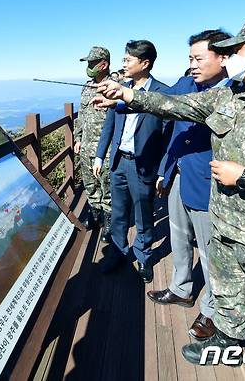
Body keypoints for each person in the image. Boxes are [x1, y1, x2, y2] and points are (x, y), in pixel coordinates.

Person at [93, 17, 245, 381]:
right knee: (229, 298)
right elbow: (179, 105)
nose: (231, 56)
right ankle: (228, 339)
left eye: (240, 48)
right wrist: (128, 94)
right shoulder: (230, 94)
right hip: (226, 228)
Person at [147, 29, 232, 342]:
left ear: (223, 57)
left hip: (212, 183)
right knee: (179, 238)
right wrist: (164, 170)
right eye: (190, 58)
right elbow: (159, 107)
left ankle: (212, 310)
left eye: (199, 58)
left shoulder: (235, 92)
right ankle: (181, 288)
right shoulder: (185, 84)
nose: (193, 64)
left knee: (212, 252)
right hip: (179, 173)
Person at [92, 40, 170, 282]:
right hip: (118, 161)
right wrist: (99, 154)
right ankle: (117, 252)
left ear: (145, 63)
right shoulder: (120, 89)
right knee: (118, 212)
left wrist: (162, 170)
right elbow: (109, 125)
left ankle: (144, 256)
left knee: (143, 213)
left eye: (128, 60)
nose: (123, 64)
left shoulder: (161, 93)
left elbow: (168, 135)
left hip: (143, 163)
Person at [73, 46, 114, 242]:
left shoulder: (114, 86)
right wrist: (78, 138)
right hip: (86, 145)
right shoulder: (87, 86)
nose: (88, 67)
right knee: (90, 184)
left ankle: (109, 223)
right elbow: (81, 115)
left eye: (92, 63)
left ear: (103, 64)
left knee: (106, 185)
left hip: (105, 148)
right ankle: (94, 216)